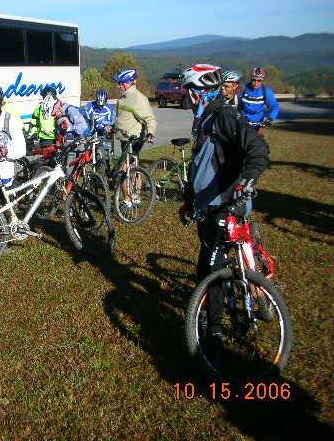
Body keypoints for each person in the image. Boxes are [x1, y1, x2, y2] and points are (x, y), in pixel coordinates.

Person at [179, 67, 270, 345]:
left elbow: (257, 149)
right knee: (203, 266)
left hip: (225, 205)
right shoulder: (206, 119)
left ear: (199, 93)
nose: (187, 98)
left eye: (188, 92)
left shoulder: (224, 116)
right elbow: (200, 167)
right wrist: (189, 202)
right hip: (208, 207)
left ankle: (214, 332)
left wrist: (246, 180)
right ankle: (220, 309)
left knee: (212, 271)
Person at [113, 68, 158, 209]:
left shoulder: (139, 98)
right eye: (118, 83)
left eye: (121, 83)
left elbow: (150, 118)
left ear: (129, 83)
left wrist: (150, 132)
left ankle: (128, 200)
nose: (119, 86)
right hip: (123, 139)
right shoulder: (122, 98)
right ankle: (136, 197)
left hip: (134, 140)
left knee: (123, 170)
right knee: (133, 168)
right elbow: (120, 118)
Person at [239, 67, 280, 132]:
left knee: (254, 141)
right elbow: (235, 102)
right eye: (254, 80)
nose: (256, 83)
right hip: (243, 122)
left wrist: (269, 119)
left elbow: (274, 107)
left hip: (257, 123)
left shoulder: (266, 92)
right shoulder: (243, 89)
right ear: (251, 79)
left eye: (259, 81)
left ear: (262, 80)